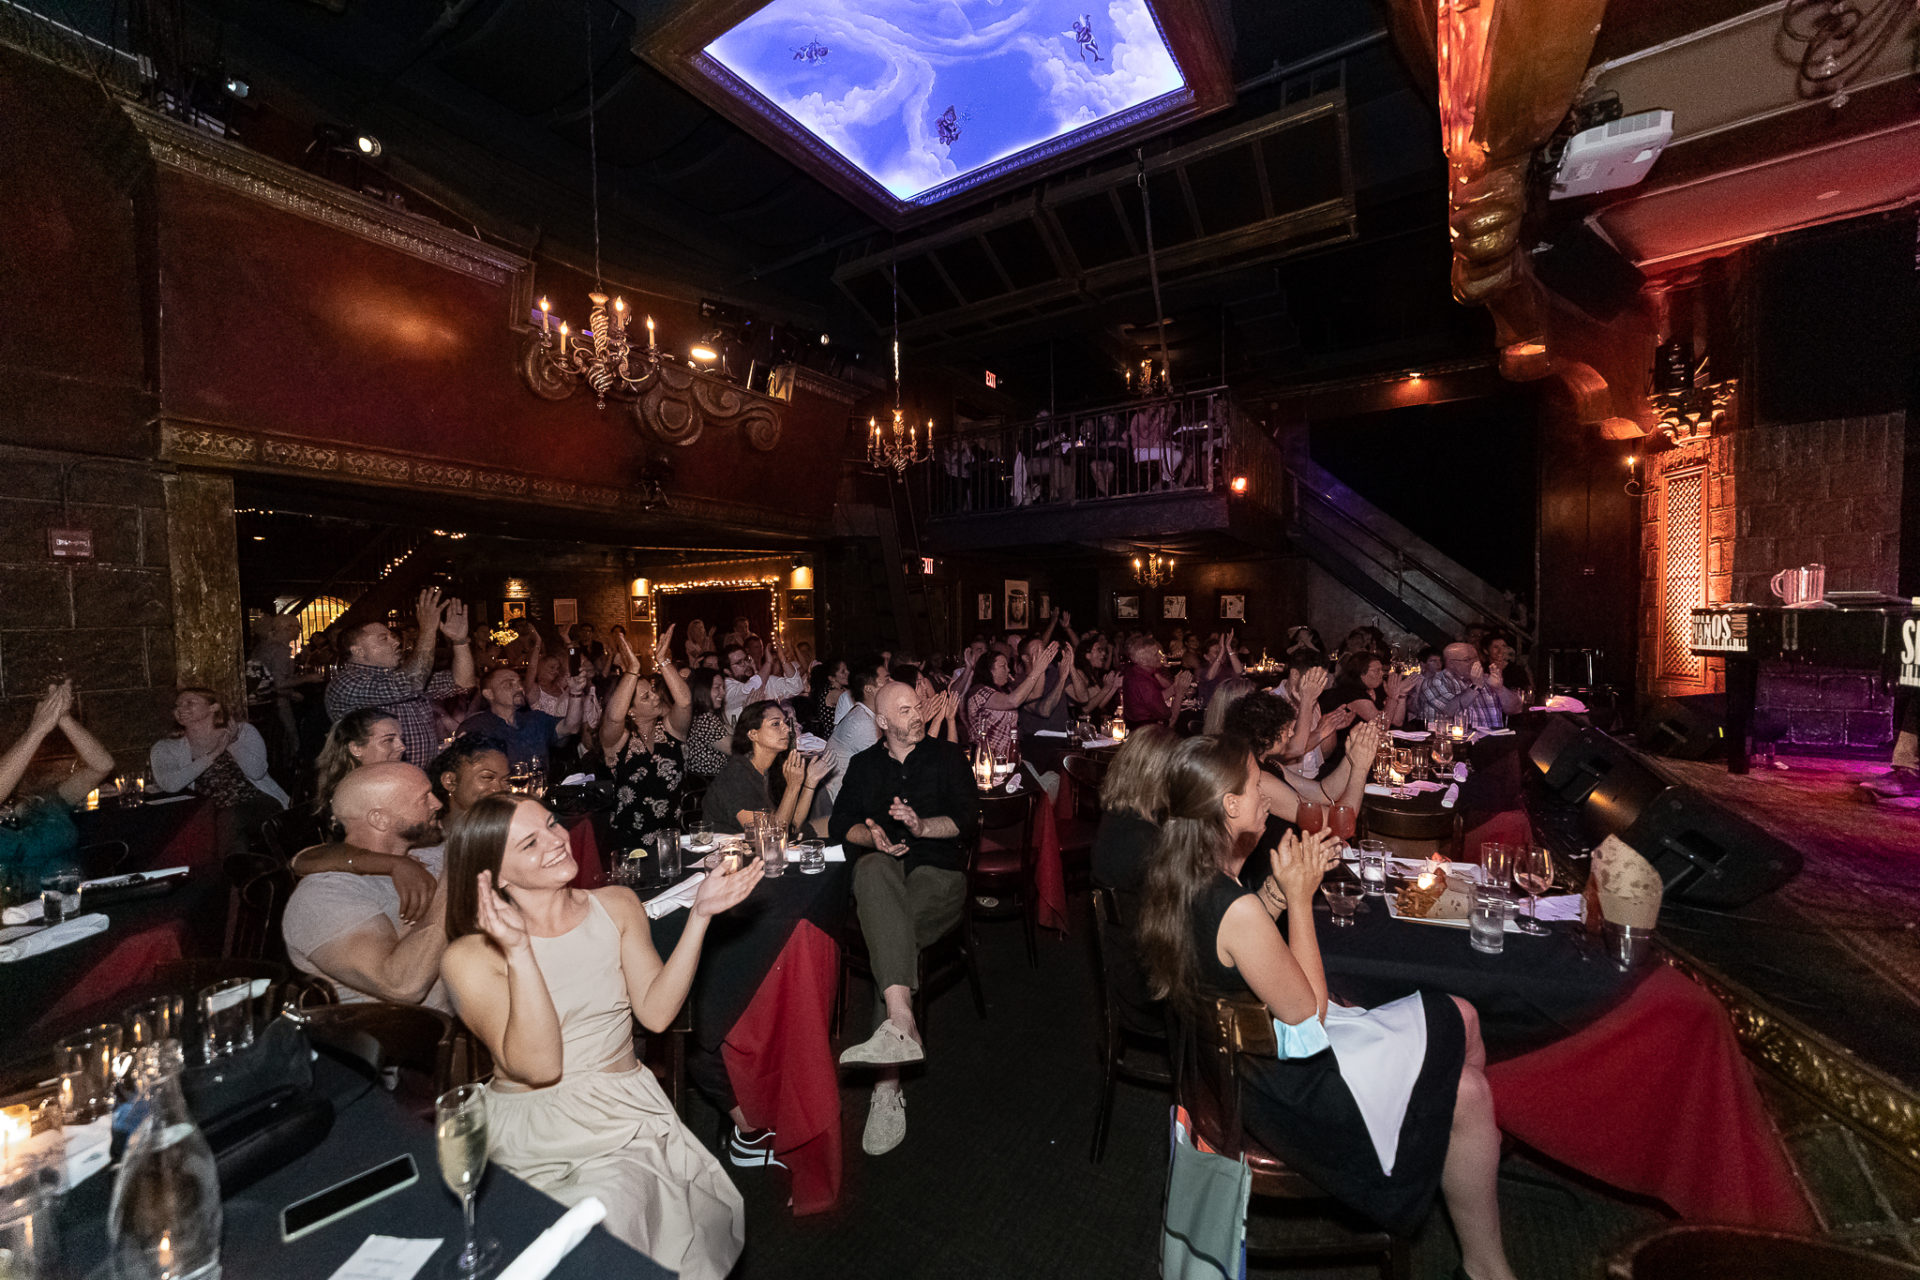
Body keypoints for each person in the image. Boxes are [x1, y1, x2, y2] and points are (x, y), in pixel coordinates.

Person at [1137, 736, 1514, 1276]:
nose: (1267, 794)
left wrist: (1275, 891)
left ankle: (1460, 1154)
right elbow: (1310, 1017)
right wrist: (1298, 898)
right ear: (1229, 806)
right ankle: (1479, 1237)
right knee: (1467, 1072)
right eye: (1256, 785)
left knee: (1462, 1021)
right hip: (1289, 1088)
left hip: (1244, 1068)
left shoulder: (1178, 878)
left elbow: (1232, 946)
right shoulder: (1231, 906)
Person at [439, 793, 755, 1277]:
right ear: (495, 875)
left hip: (620, 1115)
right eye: (529, 843)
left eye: (551, 823)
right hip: (531, 1129)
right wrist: (520, 952)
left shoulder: (617, 905)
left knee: (608, 1220)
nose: (556, 840)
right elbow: (541, 1068)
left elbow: (656, 1014)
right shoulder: (468, 957)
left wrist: (700, 916)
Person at [828, 681, 981, 1155]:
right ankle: (901, 1023)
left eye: (917, 706)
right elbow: (840, 824)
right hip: (885, 877)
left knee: (891, 931)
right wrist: (871, 837)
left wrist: (921, 825)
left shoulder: (947, 757)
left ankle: (887, 1085)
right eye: (905, 710)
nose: (917, 714)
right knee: (871, 870)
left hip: (938, 873)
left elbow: (967, 819)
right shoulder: (864, 765)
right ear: (882, 722)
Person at [281, 762, 450, 1007]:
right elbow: (401, 985)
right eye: (424, 798)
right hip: (405, 1028)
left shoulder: (426, 856)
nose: (438, 804)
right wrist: (454, 879)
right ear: (379, 819)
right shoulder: (326, 895)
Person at [326, 587, 476, 766]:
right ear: (358, 651)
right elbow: (409, 684)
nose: (396, 642)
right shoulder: (347, 683)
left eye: (392, 636)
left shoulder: (401, 676)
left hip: (418, 776)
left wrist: (460, 641)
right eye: (384, 638)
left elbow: (463, 682)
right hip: (377, 779)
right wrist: (428, 630)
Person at [149, 687, 288, 857]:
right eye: (177, 705)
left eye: (189, 703)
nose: (181, 709)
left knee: (229, 817)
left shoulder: (243, 732)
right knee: (212, 823)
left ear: (213, 707)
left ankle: (233, 872)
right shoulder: (166, 747)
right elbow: (171, 785)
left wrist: (232, 742)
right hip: (208, 812)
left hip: (256, 801)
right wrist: (214, 754)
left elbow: (257, 772)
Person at [0, 680, 114, 882]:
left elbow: (102, 766)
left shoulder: (43, 803)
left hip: (71, 895)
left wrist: (62, 717)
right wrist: (37, 729)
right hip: (16, 900)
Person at [602, 628, 691, 848]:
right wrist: (632, 670)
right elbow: (614, 717)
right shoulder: (619, 740)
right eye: (646, 697)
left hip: (672, 839)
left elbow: (685, 702)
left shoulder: (670, 730)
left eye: (652, 691)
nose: (655, 697)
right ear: (630, 711)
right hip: (629, 843)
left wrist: (663, 660)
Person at [701, 701, 830, 837]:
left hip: (773, 841)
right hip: (733, 847)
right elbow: (769, 836)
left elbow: (794, 824)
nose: (787, 729)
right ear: (753, 734)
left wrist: (810, 783)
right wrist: (792, 786)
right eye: (776, 724)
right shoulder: (737, 774)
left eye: (785, 722)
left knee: (837, 825)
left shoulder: (773, 769)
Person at [459, 665, 586, 776]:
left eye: (520, 683)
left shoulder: (535, 719)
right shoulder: (476, 727)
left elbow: (571, 727)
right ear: (489, 694)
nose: (519, 688)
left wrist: (576, 691)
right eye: (509, 684)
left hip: (538, 792)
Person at [967, 642, 1058, 758]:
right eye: (1003, 666)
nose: (1008, 669)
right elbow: (1012, 702)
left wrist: (1041, 669)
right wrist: (1036, 671)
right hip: (986, 758)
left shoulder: (1005, 691)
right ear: (989, 670)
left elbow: (1036, 693)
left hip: (1007, 755)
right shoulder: (979, 691)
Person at [312, 709, 404, 819]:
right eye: (388, 740)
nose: (402, 747)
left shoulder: (393, 783)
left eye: (401, 738)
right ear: (356, 749)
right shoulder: (351, 799)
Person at [820, 666, 887, 808]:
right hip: (841, 804)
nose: (892, 683)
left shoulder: (866, 714)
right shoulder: (863, 723)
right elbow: (885, 771)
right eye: (886, 680)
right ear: (869, 689)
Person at [1413, 642, 1508, 732]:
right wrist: (1475, 687)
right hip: (1455, 741)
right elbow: (1450, 710)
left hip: (1493, 739)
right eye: (1467, 660)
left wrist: (1500, 689)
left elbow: (1514, 709)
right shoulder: (1435, 682)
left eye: (1476, 658)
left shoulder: (1486, 678)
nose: (1474, 663)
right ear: (1451, 663)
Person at [720, 642, 804, 728]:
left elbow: (796, 687)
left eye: (746, 659)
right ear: (728, 671)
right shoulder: (726, 688)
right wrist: (768, 663)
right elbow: (751, 688)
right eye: (739, 663)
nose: (746, 664)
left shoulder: (765, 680)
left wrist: (783, 660)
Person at [1121, 635, 1194, 730]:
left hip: (1137, 730)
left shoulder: (1135, 672)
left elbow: (1154, 699)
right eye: (1156, 654)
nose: (1161, 656)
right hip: (1147, 734)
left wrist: (1175, 687)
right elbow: (1170, 720)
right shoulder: (1143, 682)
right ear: (1143, 660)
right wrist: (1180, 693)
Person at [682, 670, 731, 780]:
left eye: (723, 688)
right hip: (709, 783)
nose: (723, 693)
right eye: (717, 687)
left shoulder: (697, 715)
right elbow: (735, 748)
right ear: (702, 690)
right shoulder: (705, 719)